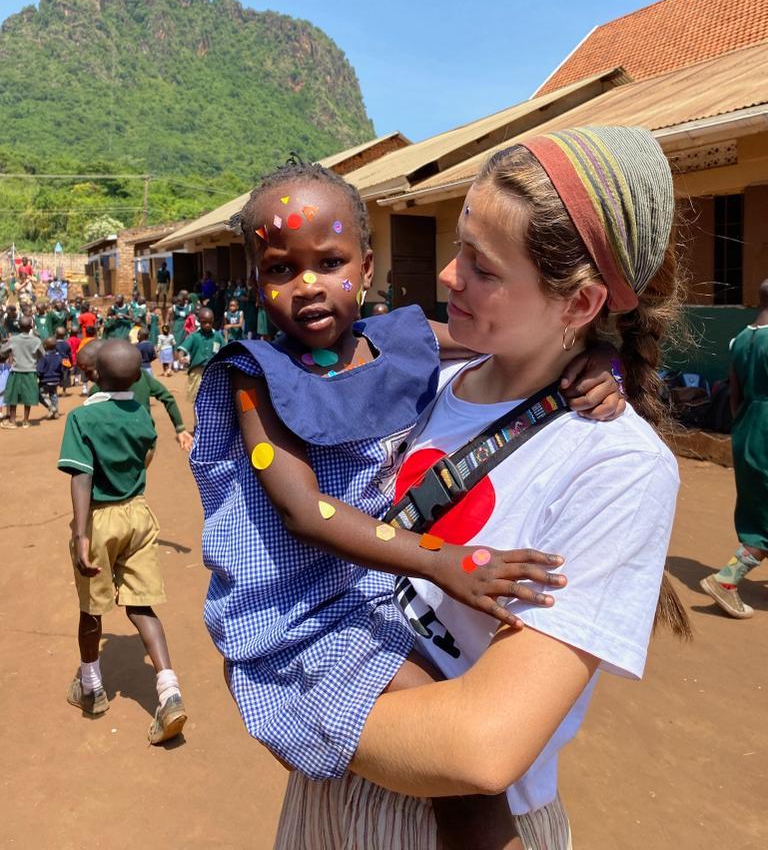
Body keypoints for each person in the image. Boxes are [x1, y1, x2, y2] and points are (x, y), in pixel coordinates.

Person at [267, 128, 690, 850]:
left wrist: (278, 683)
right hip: (328, 786)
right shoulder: (414, 386)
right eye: (458, 247)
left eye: (483, 269)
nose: (447, 278)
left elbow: (480, 748)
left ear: (580, 304)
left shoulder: (616, 466)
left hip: (445, 818)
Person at [189, 156, 625, 847]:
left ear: (365, 266)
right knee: (470, 783)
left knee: (472, 792)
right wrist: (447, 562)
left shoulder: (400, 340)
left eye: (329, 262)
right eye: (280, 269)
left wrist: (596, 357)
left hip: (372, 594)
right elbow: (306, 512)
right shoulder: (257, 380)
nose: (307, 287)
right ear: (255, 280)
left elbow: (503, 346)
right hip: (306, 610)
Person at [57, 340, 187, 743]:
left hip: (99, 518)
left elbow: (82, 477)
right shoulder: (142, 418)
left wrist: (81, 535)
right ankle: (169, 690)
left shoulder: (83, 418)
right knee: (141, 604)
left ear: (93, 374)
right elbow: (144, 459)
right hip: (138, 514)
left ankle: (92, 687)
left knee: (92, 606)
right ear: (137, 377)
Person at [700, 278, 768, 618]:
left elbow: (735, 396)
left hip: (746, 432)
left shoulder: (740, 339)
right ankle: (726, 580)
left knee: (759, 508)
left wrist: (744, 429)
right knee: (762, 525)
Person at [78, 339, 194, 453]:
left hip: (115, 449)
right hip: (145, 442)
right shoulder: (141, 375)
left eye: (89, 372)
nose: (87, 378)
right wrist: (180, 429)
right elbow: (167, 397)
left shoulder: (95, 392)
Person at [0, 315, 43, 429]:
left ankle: (13, 422)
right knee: (28, 396)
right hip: (30, 371)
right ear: (31, 327)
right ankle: (25, 421)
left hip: (16, 371)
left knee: (12, 396)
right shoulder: (36, 340)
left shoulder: (13, 339)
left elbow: (3, 350)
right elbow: (42, 354)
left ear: (19, 326)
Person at [177, 307, 224, 405]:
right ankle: (197, 419)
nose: (207, 325)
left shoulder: (218, 336)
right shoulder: (194, 336)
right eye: (204, 322)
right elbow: (182, 349)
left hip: (214, 371)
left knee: (213, 399)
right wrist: (181, 357)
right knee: (197, 398)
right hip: (197, 371)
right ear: (199, 322)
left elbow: (225, 350)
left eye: (210, 322)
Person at [37, 336, 66, 419]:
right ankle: (56, 412)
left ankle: (51, 407)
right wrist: (61, 378)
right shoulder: (59, 356)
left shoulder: (44, 357)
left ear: (45, 346)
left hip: (45, 381)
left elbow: (40, 370)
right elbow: (62, 369)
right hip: (56, 380)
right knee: (53, 395)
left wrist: (37, 375)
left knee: (40, 395)